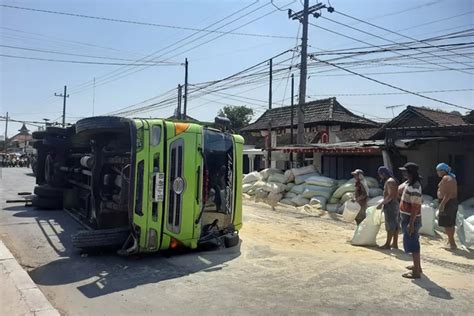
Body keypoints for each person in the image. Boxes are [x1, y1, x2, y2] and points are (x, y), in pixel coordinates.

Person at [399, 162, 423, 279]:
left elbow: (415, 206)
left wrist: (411, 223)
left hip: (411, 218)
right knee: (413, 242)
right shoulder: (410, 183)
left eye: (405, 171)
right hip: (408, 217)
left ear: (410, 173)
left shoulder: (414, 186)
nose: (403, 173)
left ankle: (416, 272)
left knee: (413, 245)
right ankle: (417, 266)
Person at [436, 163, 459, 250]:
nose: (437, 172)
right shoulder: (450, 178)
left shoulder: (446, 178)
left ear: (442, 171)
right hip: (450, 203)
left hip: (448, 203)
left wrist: (442, 205)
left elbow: (448, 194)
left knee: (447, 224)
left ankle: (452, 243)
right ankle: (450, 241)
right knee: (450, 223)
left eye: (438, 170)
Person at [377, 166, 399, 249]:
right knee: (395, 225)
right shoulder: (392, 180)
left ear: (383, 173)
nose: (380, 176)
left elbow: (391, 195)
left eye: (380, 174)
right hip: (394, 204)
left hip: (391, 205)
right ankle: (395, 244)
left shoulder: (390, 181)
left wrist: (381, 204)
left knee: (390, 225)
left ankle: (387, 244)